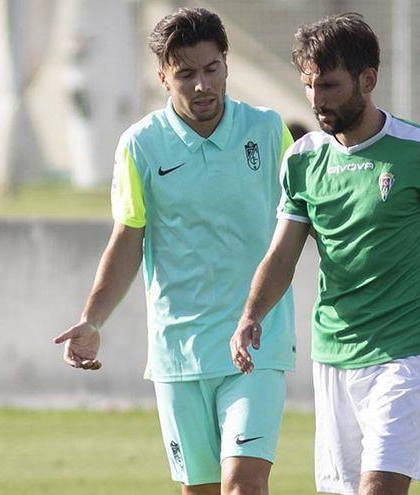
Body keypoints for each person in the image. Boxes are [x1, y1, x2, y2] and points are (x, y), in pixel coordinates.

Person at [229, 13, 420, 495]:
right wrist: (251, 314)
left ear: (368, 79)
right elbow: (282, 254)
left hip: (407, 352)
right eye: (309, 86)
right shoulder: (301, 160)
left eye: (330, 86)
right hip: (334, 353)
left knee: (379, 487)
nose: (316, 100)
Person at [52, 8, 297, 495]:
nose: (202, 86)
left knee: (245, 484)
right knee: (200, 490)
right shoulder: (140, 145)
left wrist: (395, 267)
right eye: (186, 74)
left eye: (211, 70)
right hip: (177, 351)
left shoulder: (269, 132)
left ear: (226, 65)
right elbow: (128, 237)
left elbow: (313, 219)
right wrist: (93, 320)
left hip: (256, 343)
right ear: (164, 77)